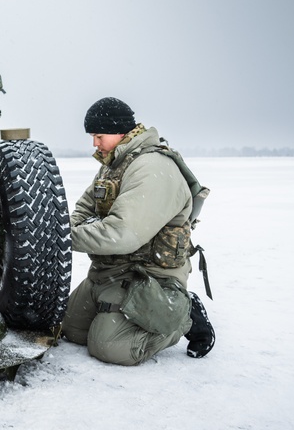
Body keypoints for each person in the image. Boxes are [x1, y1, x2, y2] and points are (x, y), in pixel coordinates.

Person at [60, 97, 215, 365]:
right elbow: (82, 211)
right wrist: (66, 230)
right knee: (71, 330)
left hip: (150, 277)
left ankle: (183, 314)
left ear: (120, 131)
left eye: (98, 136)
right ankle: (113, 309)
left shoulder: (152, 167)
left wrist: (60, 237)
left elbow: (123, 234)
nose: (94, 144)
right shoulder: (114, 166)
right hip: (111, 272)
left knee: (109, 347)